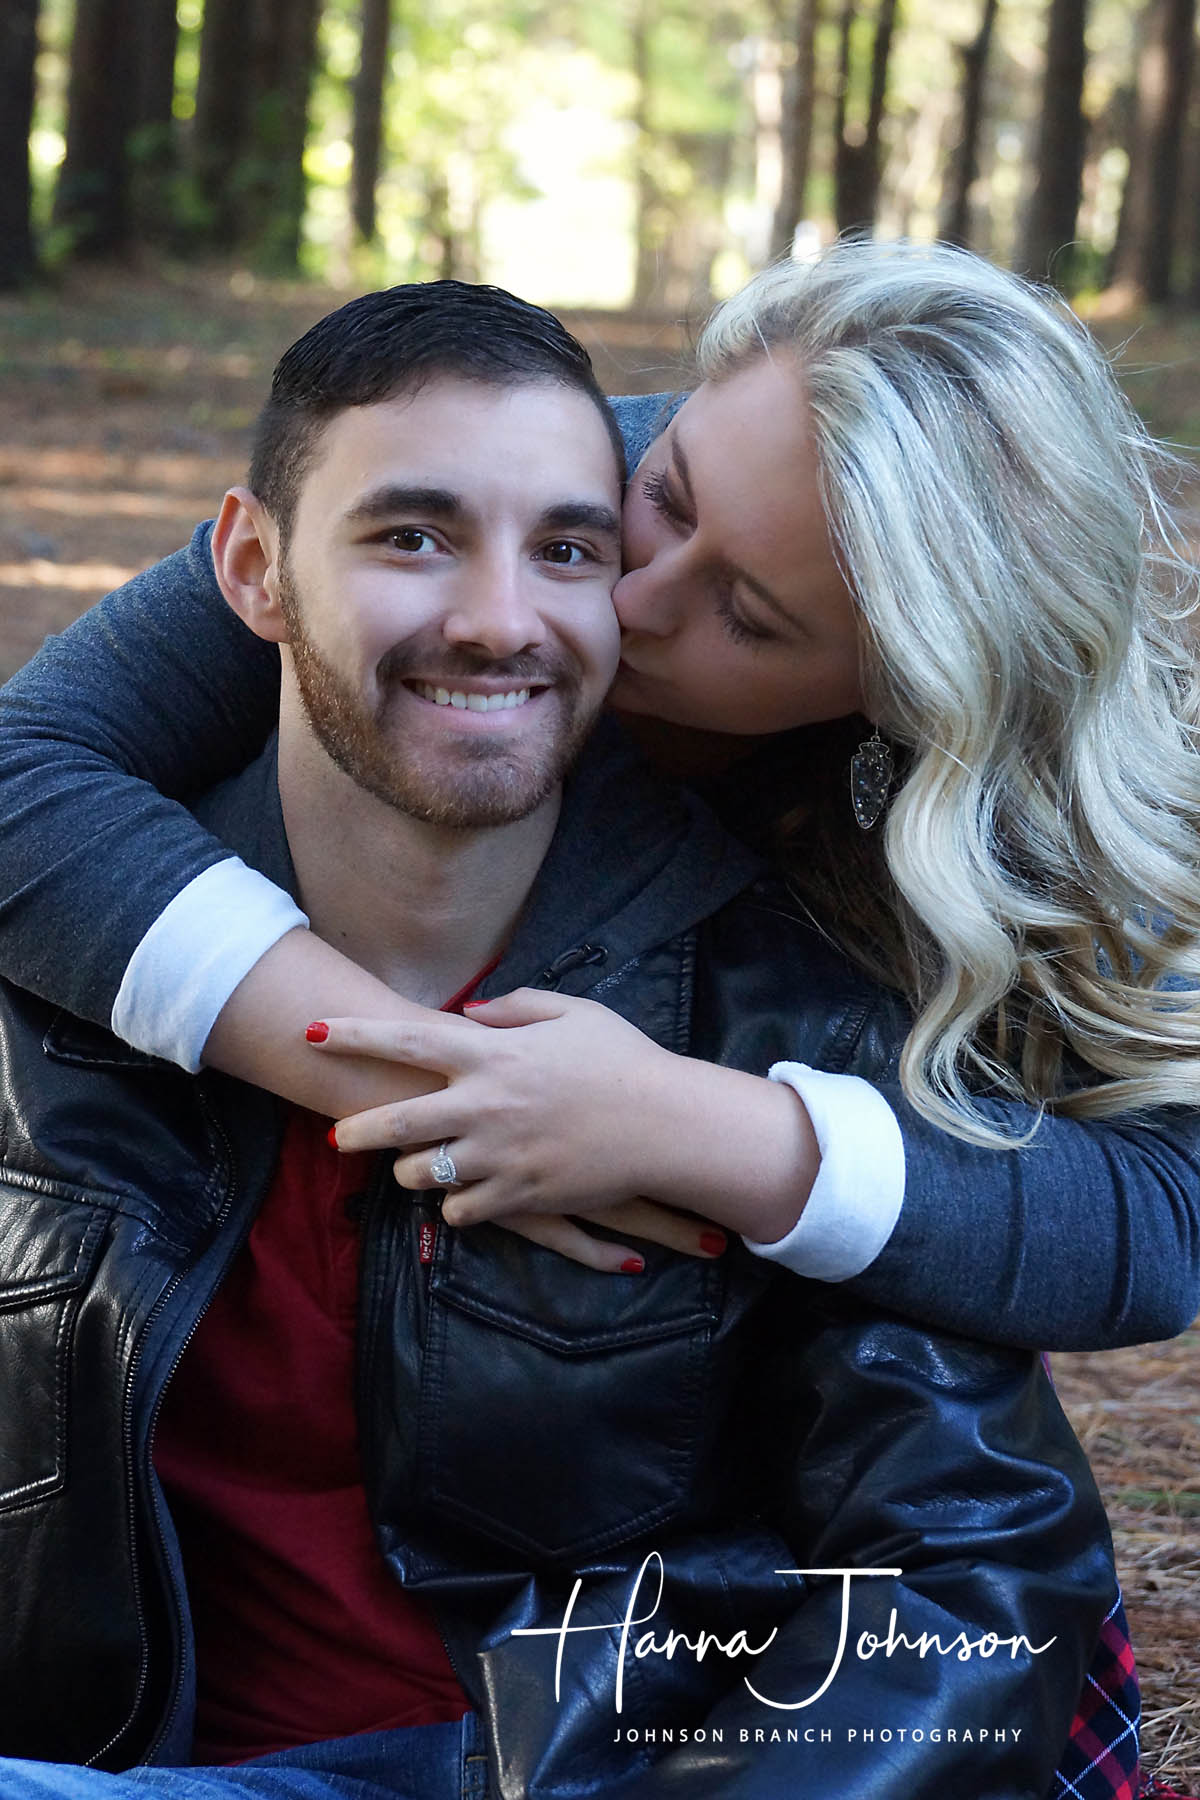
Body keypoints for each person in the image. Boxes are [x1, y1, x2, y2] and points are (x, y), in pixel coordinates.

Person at [0, 280, 1116, 1799]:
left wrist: (730, 1139)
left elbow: (978, 1580)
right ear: (254, 568)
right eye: (413, 537)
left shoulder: (787, 1018)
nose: (520, 616)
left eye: (573, 552)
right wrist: (417, 1075)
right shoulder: (68, 966)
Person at [1, 240, 1199, 1347]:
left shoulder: (1040, 793)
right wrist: (439, 1090)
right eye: (666, 497)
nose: (622, 598)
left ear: (900, 695)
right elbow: (23, 766)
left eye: (746, 615)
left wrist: (693, 1131)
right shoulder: (521, 484)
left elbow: (1163, 1219)